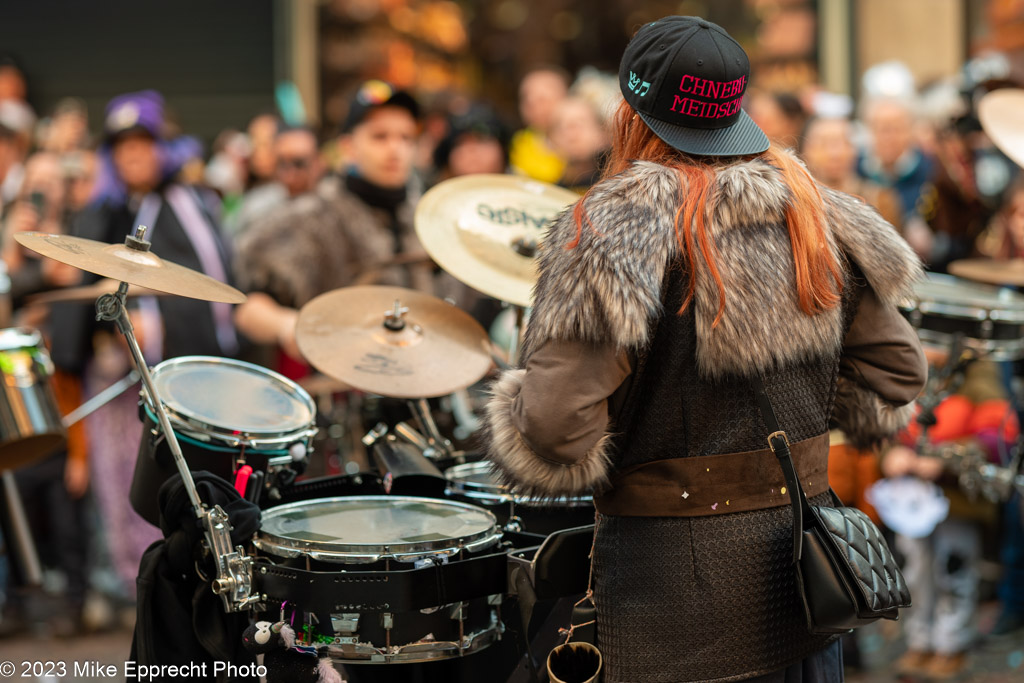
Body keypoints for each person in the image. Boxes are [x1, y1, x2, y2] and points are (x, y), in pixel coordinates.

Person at [483, 16, 927, 682]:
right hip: (809, 590)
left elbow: (554, 430)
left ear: (631, 112)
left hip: (672, 615)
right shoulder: (817, 212)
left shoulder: (609, 229)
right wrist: (791, 415)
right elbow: (897, 373)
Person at [234, 80, 431, 371]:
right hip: (342, 395)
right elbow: (248, 309)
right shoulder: (306, 219)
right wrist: (287, 325)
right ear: (348, 147)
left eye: (406, 138)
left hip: (423, 384)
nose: (396, 149)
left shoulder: (430, 219)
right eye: (380, 137)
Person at [508, 66, 569, 183]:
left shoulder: (582, 144)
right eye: (527, 101)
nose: (534, 108)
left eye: (542, 100)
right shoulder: (520, 142)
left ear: (565, 99)